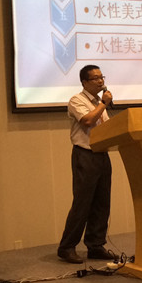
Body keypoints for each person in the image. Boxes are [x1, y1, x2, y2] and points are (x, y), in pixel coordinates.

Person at [57, 64, 117, 264]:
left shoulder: (99, 103)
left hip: (102, 155)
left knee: (102, 203)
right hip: (85, 155)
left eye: (102, 77)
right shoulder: (77, 100)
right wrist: (104, 104)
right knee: (82, 203)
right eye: (96, 78)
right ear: (84, 82)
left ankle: (95, 245)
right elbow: (88, 121)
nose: (101, 81)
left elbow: (106, 128)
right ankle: (67, 247)